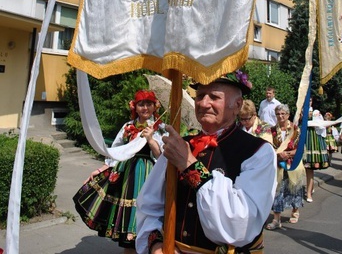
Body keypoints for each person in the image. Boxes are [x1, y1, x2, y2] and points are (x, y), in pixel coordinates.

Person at [136, 72, 277, 254]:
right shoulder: (180, 144)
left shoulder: (258, 151)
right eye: (200, 95)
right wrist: (156, 246)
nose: (203, 103)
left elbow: (240, 224)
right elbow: (149, 205)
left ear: (237, 105)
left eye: (214, 97)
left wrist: (189, 164)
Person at [73, 90, 166, 251]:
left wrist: (151, 139)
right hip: (126, 173)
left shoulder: (160, 127)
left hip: (148, 174)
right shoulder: (127, 126)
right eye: (141, 104)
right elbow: (116, 150)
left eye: (149, 104)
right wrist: (103, 167)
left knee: (144, 212)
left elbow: (161, 157)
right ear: (135, 107)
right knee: (127, 218)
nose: (145, 108)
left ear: (155, 106)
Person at [266, 104, 305, 230]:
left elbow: (300, 148)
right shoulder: (272, 130)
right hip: (278, 163)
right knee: (277, 190)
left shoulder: (295, 129)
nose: (280, 116)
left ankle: (295, 210)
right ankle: (276, 219)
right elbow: (269, 147)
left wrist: (287, 154)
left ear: (288, 115)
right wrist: (278, 155)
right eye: (278, 114)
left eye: (283, 114)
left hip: (293, 163)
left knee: (294, 187)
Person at [303, 108, 329, 202]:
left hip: (312, 142)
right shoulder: (301, 113)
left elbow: (321, 127)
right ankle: (309, 188)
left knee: (310, 168)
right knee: (302, 168)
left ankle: (309, 193)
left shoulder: (316, 114)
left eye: (310, 100)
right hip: (303, 140)